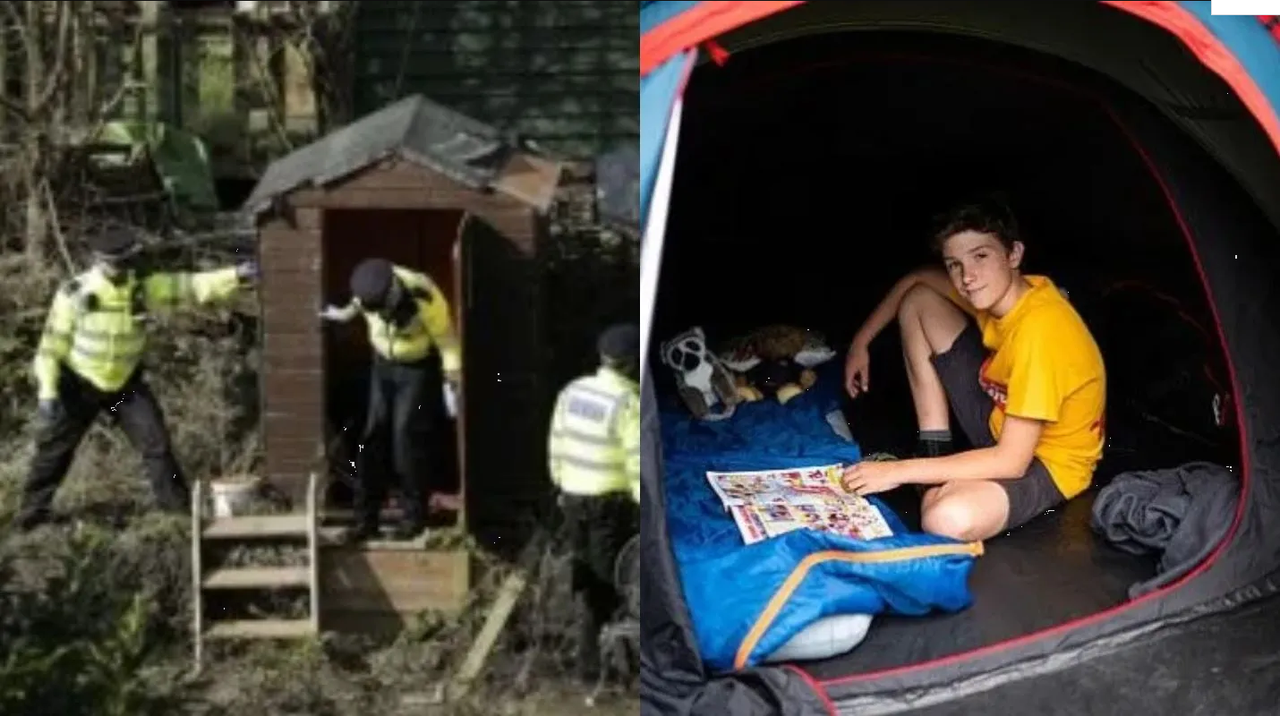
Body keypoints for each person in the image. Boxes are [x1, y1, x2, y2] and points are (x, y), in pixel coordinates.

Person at [840, 195, 1106, 542]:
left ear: (1014, 254)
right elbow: (918, 279)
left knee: (946, 518)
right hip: (1001, 415)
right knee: (919, 301)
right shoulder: (1006, 291)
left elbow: (1012, 462)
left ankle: (934, 481)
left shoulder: (1041, 331)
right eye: (955, 264)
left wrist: (897, 471)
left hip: (1044, 460)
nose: (968, 277)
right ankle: (935, 453)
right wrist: (860, 343)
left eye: (981, 256)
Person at [15, 225, 257, 531]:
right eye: (114, 264)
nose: (121, 270)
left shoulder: (141, 287)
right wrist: (48, 393)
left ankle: (178, 515)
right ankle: (31, 516)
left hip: (124, 386)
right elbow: (50, 349)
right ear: (98, 261)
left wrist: (236, 276)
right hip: (79, 384)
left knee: (158, 445)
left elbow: (189, 286)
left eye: (125, 262)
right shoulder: (74, 293)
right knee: (54, 450)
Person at [320, 258, 460, 542]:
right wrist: (343, 315)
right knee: (373, 437)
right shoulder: (368, 290)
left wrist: (452, 378)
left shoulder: (423, 294)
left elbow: (446, 339)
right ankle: (365, 520)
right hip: (383, 363)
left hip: (418, 367)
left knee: (406, 438)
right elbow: (357, 304)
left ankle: (413, 519)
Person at [547, 322, 641, 683]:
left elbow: (557, 442)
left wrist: (561, 483)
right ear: (631, 364)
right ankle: (601, 668)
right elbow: (636, 463)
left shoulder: (572, 392)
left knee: (585, 577)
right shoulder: (627, 403)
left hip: (573, 499)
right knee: (610, 583)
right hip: (609, 506)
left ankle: (587, 661)